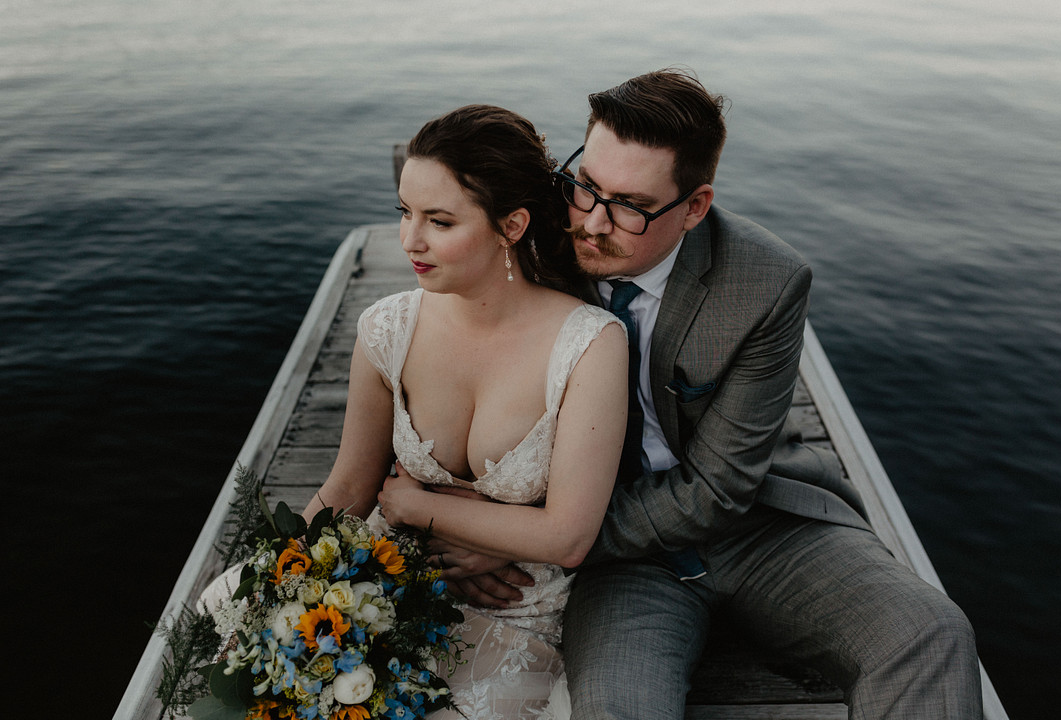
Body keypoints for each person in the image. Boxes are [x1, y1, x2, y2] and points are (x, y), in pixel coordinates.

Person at [436, 70, 984, 719]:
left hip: (763, 528)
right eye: (586, 185)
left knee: (932, 636)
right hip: (622, 566)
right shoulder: (532, 243)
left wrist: (525, 536)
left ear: (695, 207)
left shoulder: (766, 281)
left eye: (630, 206)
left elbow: (719, 492)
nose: (590, 221)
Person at [303, 104, 628, 719]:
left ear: (512, 225)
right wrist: (282, 572)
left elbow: (567, 536)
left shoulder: (588, 344)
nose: (409, 240)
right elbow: (348, 486)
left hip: (519, 610)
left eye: (440, 221)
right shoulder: (387, 328)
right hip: (393, 571)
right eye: (405, 212)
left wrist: (415, 506)